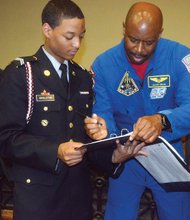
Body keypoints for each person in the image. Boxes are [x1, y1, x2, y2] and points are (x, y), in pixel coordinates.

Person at [0, 1, 147, 220]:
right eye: (69, 37)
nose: (77, 44)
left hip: (77, 197)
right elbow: (6, 139)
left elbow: (83, 142)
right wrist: (55, 151)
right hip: (37, 199)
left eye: (82, 36)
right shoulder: (23, 74)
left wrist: (114, 155)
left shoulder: (83, 78)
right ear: (47, 30)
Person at [85, 2, 190, 220]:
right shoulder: (103, 64)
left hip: (168, 156)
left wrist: (162, 120)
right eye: (133, 39)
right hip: (127, 159)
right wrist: (107, 137)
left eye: (149, 42)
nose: (139, 49)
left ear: (160, 34)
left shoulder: (181, 57)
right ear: (124, 29)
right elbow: (103, 114)